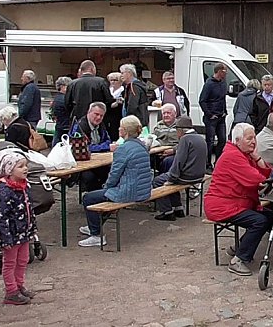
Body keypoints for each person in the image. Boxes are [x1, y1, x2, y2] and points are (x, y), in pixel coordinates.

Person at [203, 123, 273, 276]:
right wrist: (266, 177)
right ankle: (239, 259)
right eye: (249, 139)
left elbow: (264, 174)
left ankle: (240, 247)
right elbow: (257, 178)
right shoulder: (233, 156)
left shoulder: (243, 154)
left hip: (235, 202)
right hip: (222, 205)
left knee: (270, 215)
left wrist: (257, 157)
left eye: (254, 138)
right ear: (237, 140)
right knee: (259, 220)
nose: (254, 141)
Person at [79, 116, 152, 247]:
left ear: (125, 131)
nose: (118, 129)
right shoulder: (142, 145)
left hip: (129, 192)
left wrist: (107, 187)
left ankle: (95, 234)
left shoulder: (122, 149)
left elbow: (114, 174)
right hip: (144, 190)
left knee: (88, 198)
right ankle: (94, 224)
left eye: (120, 127)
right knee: (104, 194)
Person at [0, 150, 38, 304]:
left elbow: (29, 209)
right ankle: (11, 291)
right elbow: (1, 215)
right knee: (10, 262)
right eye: (20, 166)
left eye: (26, 165)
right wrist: (5, 237)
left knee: (23, 260)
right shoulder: (5, 191)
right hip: (11, 234)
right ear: (10, 170)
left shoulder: (24, 186)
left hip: (23, 232)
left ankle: (19, 285)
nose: (25, 169)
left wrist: (32, 228)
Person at [153, 116, 208, 220]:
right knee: (171, 179)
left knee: (157, 181)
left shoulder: (185, 140)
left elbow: (178, 162)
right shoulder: (200, 138)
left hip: (187, 177)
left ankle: (167, 211)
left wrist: (170, 179)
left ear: (180, 130)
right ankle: (178, 208)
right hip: (199, 175)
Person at [69, 102, 113, 191]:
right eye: (96, 114)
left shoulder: (101, 125)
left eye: (101, 116)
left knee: (111, 171)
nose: (99, 118)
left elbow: (108, 140)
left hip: (98, 160)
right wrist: (105, 147)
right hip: (81, 164)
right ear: (88, 113)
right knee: (90, 177)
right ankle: (92, 199)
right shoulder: (79, 127)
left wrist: (103, 146)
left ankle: (103, 196)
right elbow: (85, 148)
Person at [199, 62, 228, 168]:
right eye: (225, 71)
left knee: (222, 140)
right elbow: (202, 100)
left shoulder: (223, 83)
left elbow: (223, 98)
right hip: (211, 118)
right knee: (210, 141)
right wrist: (209, 114)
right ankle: (207, 164)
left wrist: (224, 111)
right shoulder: (209, 84)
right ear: (219, 71)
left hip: (221, 116)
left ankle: (218, 162)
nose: (226, 73)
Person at [153, 103, 181, 172]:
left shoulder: (180, 126)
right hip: (159, 152)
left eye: (168, 113)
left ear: (175, 114)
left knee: (168, 161)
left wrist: (173, 150)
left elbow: (185, 143)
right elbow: (153, 139)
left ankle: (165, 180)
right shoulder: (158, 126)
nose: (166, 115)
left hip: (174, 152)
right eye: (164, 113)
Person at [50, 76, 72, 146]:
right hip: (65, 126)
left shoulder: (57, 97)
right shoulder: (64, 99)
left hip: (59, 125)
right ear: (62, 86)